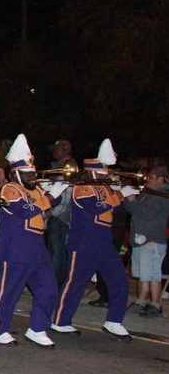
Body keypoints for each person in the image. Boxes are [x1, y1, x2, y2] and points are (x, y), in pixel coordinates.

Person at [0, 134, 68, 348]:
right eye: (28, 173)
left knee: (48, 288)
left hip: (36, 248)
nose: (33, 176)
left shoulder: (36, 189)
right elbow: (25, 210)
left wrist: (57, 190)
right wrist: (49, 197)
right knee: (9, 292)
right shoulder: (9, 189)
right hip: (15, 248)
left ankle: (37, 328)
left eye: (33, 172)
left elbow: (52, 201)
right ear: (15, 173)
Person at [51, 140, 133, 340]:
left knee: (120, 282)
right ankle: (60, 321)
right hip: (84, 243)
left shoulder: (105, 188)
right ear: (94, 172)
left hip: (104, 243)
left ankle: (114, 321)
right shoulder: (82, 188)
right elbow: (97, 206)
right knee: (75, 284)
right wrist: (119, 194)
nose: (107, 174)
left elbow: (118, 210)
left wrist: (120, 194)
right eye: (104, 171)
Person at [123, 165, 169, 317]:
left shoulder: (162, 194)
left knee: (153, 275)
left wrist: (132, 199)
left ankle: (156, 305)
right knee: (144, 274)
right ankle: (141, 302)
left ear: (160, 179)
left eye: (151, 176)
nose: (147, 179)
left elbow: (145, 213)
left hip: (152, 240)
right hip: (142, 239)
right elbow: (134, 210)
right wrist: (129, 200)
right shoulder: (149, 192)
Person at [47, 140, 74, 289]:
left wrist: (53, 214)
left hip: (60, 216)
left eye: (56, 149)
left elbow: (65, 196)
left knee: (58, 253)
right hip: (57, 215)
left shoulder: (67, 167)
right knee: (55, 252)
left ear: (65, 150)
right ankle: (55, 283)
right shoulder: (57, 167)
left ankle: (57, 284)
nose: (54, 151)